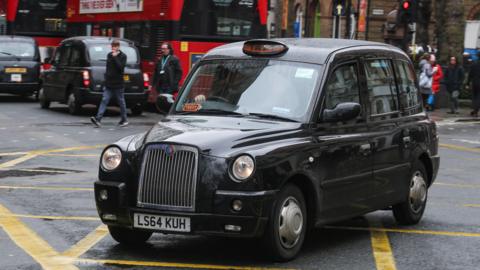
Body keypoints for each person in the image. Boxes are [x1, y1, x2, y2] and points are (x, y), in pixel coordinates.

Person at [91, 40, 128, 127]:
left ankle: (124, 119)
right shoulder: (109, 55)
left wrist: (115, 58)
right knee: (104, 100)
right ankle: (98, 119)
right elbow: (108, 69)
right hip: (109, 83)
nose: (113, 48)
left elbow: (120, 68)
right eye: (112, 47)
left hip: (118, 83)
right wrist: (106, 80)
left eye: (114, 46)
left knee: (121, 102)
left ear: (118, 47)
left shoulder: (123, 56)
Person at [468, 52, 480, 117]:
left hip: (474, 82)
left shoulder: (474, 64)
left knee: (474, 97)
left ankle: (474, 110)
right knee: (478, 97)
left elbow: (470, 74)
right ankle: (476, 111)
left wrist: (467, 83)